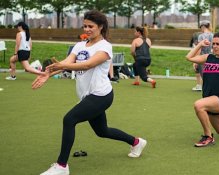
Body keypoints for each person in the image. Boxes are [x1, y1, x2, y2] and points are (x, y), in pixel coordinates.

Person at [32, 10, 147, 175]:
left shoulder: (105, 46)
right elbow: (67, 62)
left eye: (90, 26)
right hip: (87, 96)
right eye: (84, 25)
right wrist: (49, 73)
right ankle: (136, 142)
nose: (87, 29)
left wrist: (62, 66)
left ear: (100, 27)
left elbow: (87, 65)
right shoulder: (79, 45)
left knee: (69, 119)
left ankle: (61, 166)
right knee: (102, 131)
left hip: (101, 95)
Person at [192, 20, 213, 91]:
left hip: (202, 57)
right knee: (209, 73)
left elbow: (199, 49)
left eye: (201, 27)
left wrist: (195, 60)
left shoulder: (201, 36)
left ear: (203, 26)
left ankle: (203, 87)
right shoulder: (213, 35)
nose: (200, 28)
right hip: (211, 56)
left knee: (202, 73)